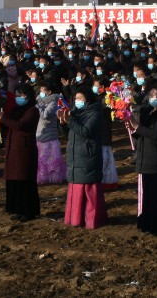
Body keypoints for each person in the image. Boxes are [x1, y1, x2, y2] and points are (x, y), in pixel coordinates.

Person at [59, 88, 109, 229]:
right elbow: (69, 131)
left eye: (81, 98)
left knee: (88, 188)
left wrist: (70, 121)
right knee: (76, 186)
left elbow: (85, 131)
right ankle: (75, 218)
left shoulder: (95, 114)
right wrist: (63, 122)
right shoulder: (75, 112)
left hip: (88, 156)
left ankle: (91, 219)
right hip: (75, 154)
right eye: (76, 98)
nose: (78, 101)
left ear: (88, 99)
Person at [130, 85, 157, 235]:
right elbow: (140, 132)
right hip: (144, 156)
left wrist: (138, 127)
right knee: (147, 195)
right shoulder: (146, 111)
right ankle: (147, 223)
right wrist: (133, 128)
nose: (153, 97)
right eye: (151, 94)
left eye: (156, 95)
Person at [0, 84, 41, 221]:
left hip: (24, 150)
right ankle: (16, 209)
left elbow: (20, 125)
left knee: (24, 180)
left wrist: (3, 117)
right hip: (13, 148)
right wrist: (0, 120)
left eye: (21, 95)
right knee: (14, 180)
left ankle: (28, 211)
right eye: (17, 95)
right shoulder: (16, 109)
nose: (18, 98)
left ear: (28, 95)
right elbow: (9, 125)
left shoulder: (32, 111)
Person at [34, 82, 67, 185]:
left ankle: (51, 177)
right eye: (41, 89)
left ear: (49, 92)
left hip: (49, 133)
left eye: (43, 90)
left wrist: (38, 106)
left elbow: (45, 115)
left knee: (49, 158)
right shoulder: (40, 100)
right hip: (40, 131)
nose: (41, 91)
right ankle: (42, 175)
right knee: (41, 158)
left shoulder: (53, 101)